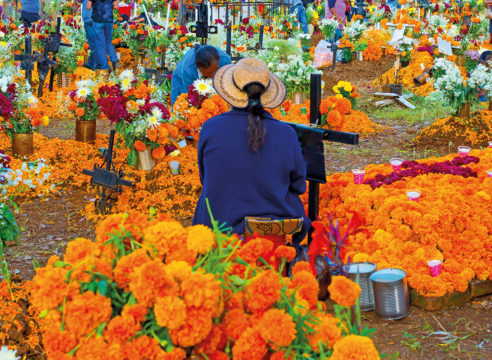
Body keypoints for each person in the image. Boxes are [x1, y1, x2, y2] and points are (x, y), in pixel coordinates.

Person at [192, 58, 310, 247]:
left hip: (220, 224)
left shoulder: (211, 127)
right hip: (271, 226)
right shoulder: (285, 133)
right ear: (267, 93)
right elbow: (298, 186)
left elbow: (205, 178)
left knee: (209, 197)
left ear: (231, 91)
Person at [87, 0, 119, 72]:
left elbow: (88, 7)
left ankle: (105, 67)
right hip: (108, 19)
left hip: (97, 20)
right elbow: (116, 6)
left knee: (100, 45)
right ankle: (114, 60)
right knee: (108, 41)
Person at [76, 0, 97, 70]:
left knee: (93, 43)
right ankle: (91, 63)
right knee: (93, 42)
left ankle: (95, 65)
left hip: (90, 17)